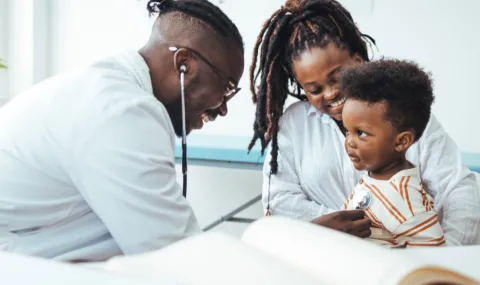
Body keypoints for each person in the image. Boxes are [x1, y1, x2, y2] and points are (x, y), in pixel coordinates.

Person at [0, 0, 244, 261]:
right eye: (227, 86)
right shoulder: (124, 111)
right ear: (183, 63)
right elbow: (173, 255)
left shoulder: (106, 89)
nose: (223, 108)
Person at [249, 0, 480, 245]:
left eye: (337, 78)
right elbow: (279, 201)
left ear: (357, 62)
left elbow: (458, 189)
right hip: (332, 258)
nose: (329, 94)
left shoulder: (402, 113)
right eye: (314, 89)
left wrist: (448, 256)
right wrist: (339, 225)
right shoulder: (295, 125)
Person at [340, 59, 444, 247]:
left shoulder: (405, 202)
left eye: (361, 133)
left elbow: (435, 260)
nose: (349, 142)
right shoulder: (377, 177)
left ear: (401, 141)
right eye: (347, 131)